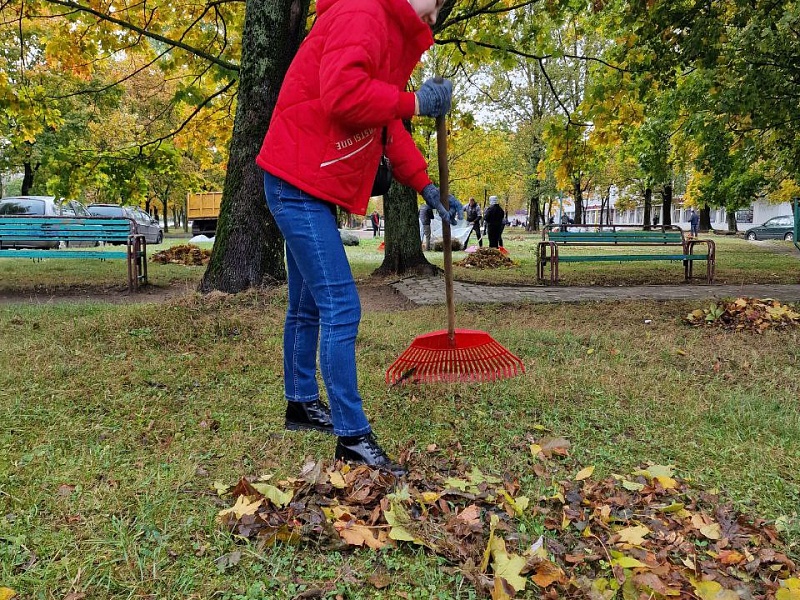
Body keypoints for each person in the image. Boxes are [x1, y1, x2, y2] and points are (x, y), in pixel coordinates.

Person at [255, 0, 463, 475]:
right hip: (295, 184)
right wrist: (415, 102)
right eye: (434, 2)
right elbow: (344, 96)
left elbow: (385, 122)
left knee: (307, 305)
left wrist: (425, 185)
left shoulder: (380, 28)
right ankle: (352, 436)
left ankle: (300, 402)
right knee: (341, 306)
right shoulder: (363, 12)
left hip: (305, 181)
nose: (434, 16)